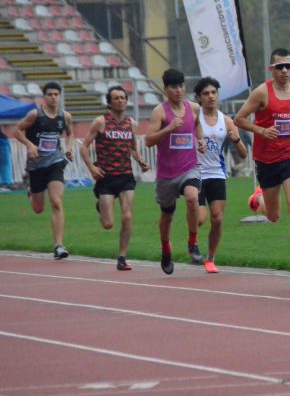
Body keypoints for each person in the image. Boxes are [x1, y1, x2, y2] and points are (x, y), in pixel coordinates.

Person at [234, 48, 290, 278]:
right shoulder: (261, 93)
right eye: (280, 67)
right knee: (273, 216)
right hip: (267, 160)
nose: (284, 70)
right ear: (271, 70)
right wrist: (261, 130)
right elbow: (239, 119)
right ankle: (259, 198)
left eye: (288, 66)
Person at [79, 85, 148, 270]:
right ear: (109, 102)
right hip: (106, 178)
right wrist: (91, 167)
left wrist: (140, 161)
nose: (120, 101)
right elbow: (83, 147)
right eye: (116, 98)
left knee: (127, 216)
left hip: (125, 176)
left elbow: (133, 147)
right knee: (108, 224)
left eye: (123, 97)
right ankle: (101, 207)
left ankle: (122, 257)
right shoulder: (100, 122)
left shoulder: (131, 123)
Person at [145, 69, 206, 274]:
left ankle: (193, 242)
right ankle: (165, 248)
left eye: (181, 86)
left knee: (192, 198)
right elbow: (148, 140)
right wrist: (169, 128)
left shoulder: (194, 108)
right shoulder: (159, 112)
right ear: (166, 90)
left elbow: (197, 125)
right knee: (167, 215)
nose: (179, 90)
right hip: (167, 174)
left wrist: (201, 139)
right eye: (174, 87)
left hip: (190, 167)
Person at [13, 82, 74, 260]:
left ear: (60, 96)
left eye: (56, 94)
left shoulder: (65, 116)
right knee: (38, 208)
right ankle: (31, 191)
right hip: (36, 165)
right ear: (44, 96)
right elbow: (17, 131)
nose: (53, 97)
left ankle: (59, 246)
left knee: (56, 201)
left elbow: (70, 134)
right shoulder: (35, 115)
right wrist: (30, 145)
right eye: (50, 94)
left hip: (55, 162)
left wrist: (69, 148)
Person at [194, 77, 247, 274]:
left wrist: (237, 140)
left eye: (213, 93)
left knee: (217, 219)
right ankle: (193, 244)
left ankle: (210, 258)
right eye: (206, 94)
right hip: (196, 173)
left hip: (217, 173)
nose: (210, 97)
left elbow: (243, 154)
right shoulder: (194, 118)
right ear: (199, 98)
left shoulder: (226, 121)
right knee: (200, 218)